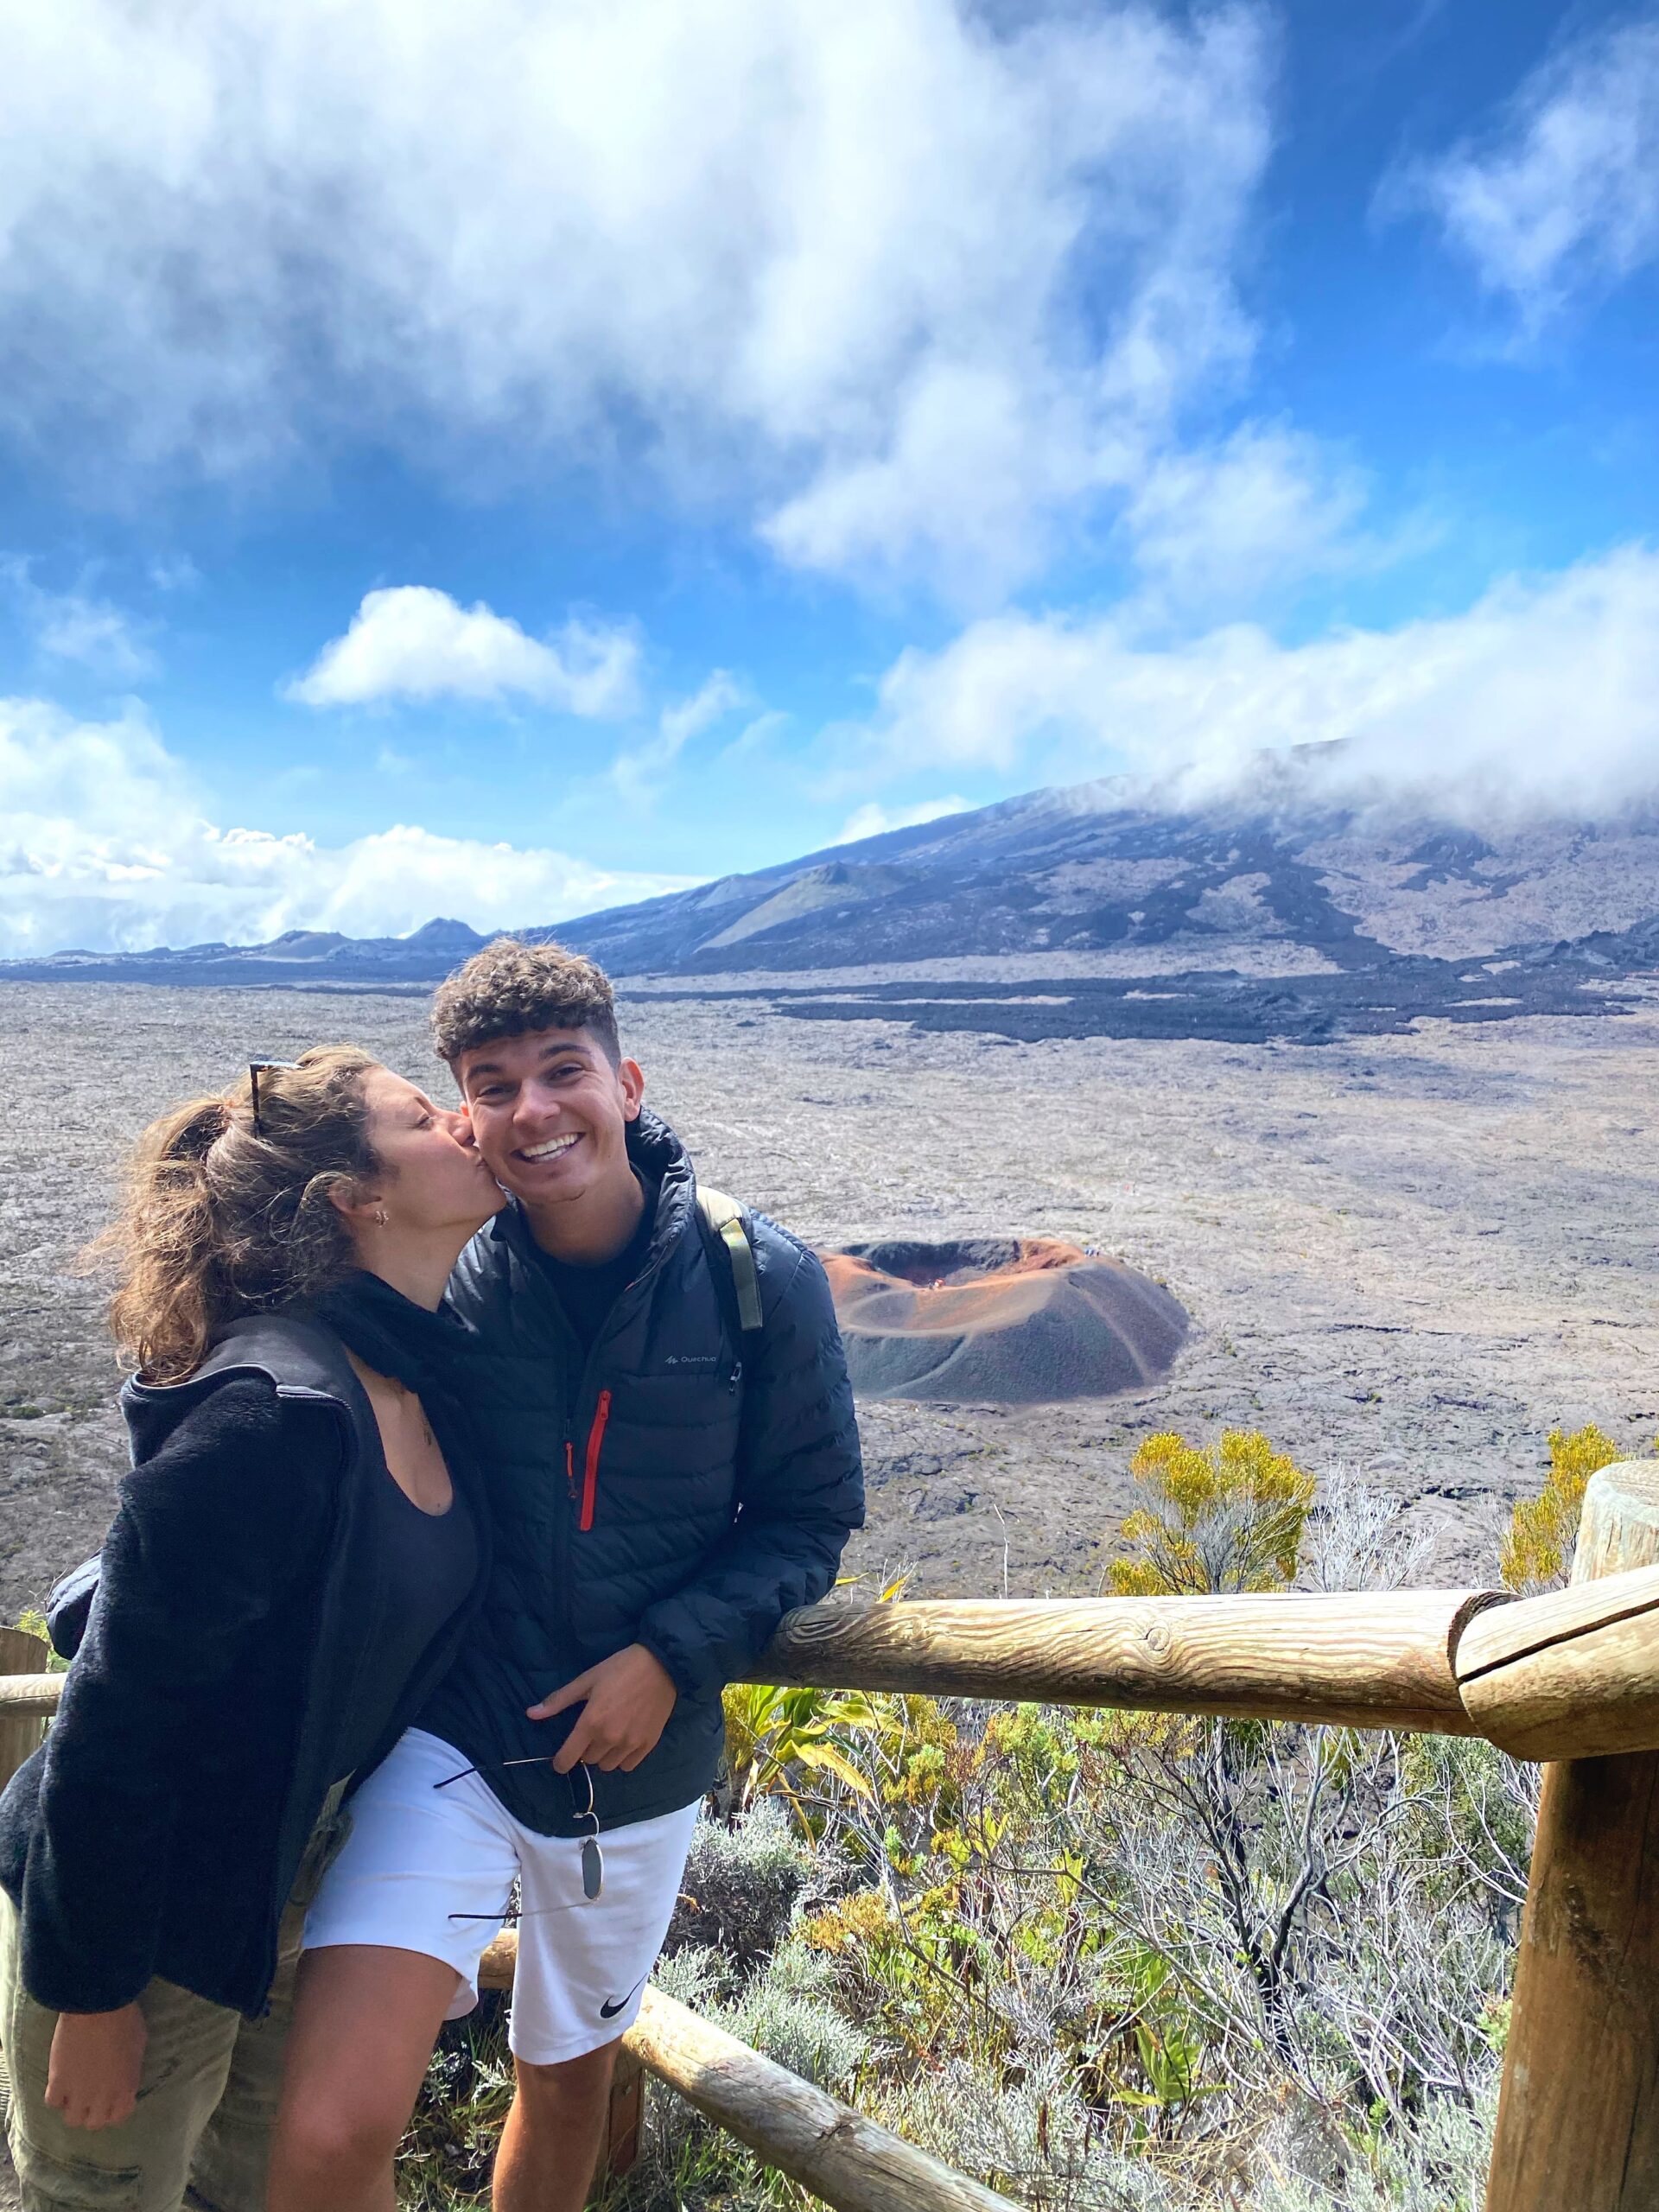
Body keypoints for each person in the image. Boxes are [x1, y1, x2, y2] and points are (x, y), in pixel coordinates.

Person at [270, 941, 865, 2212]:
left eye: (562, 1070)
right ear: (465, 1119)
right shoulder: (446, 1269)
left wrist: (671, 1654)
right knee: (325, 2133)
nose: (534, 1110)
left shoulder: (759, 1281)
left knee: (570, 2086)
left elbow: (812, 1515)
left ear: (628, 1082)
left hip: (633, 1775)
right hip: (454, 1736)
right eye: (493, 1085)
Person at [0, 1046, 502, 2212]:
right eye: (426, 1115)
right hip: (150, 1917)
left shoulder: (419, 1378)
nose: (468, 1122)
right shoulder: (267, 1422)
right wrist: (95, 1994)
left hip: (291, 1893)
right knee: (99, 2197)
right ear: (355, 1200)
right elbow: (117, 1724)